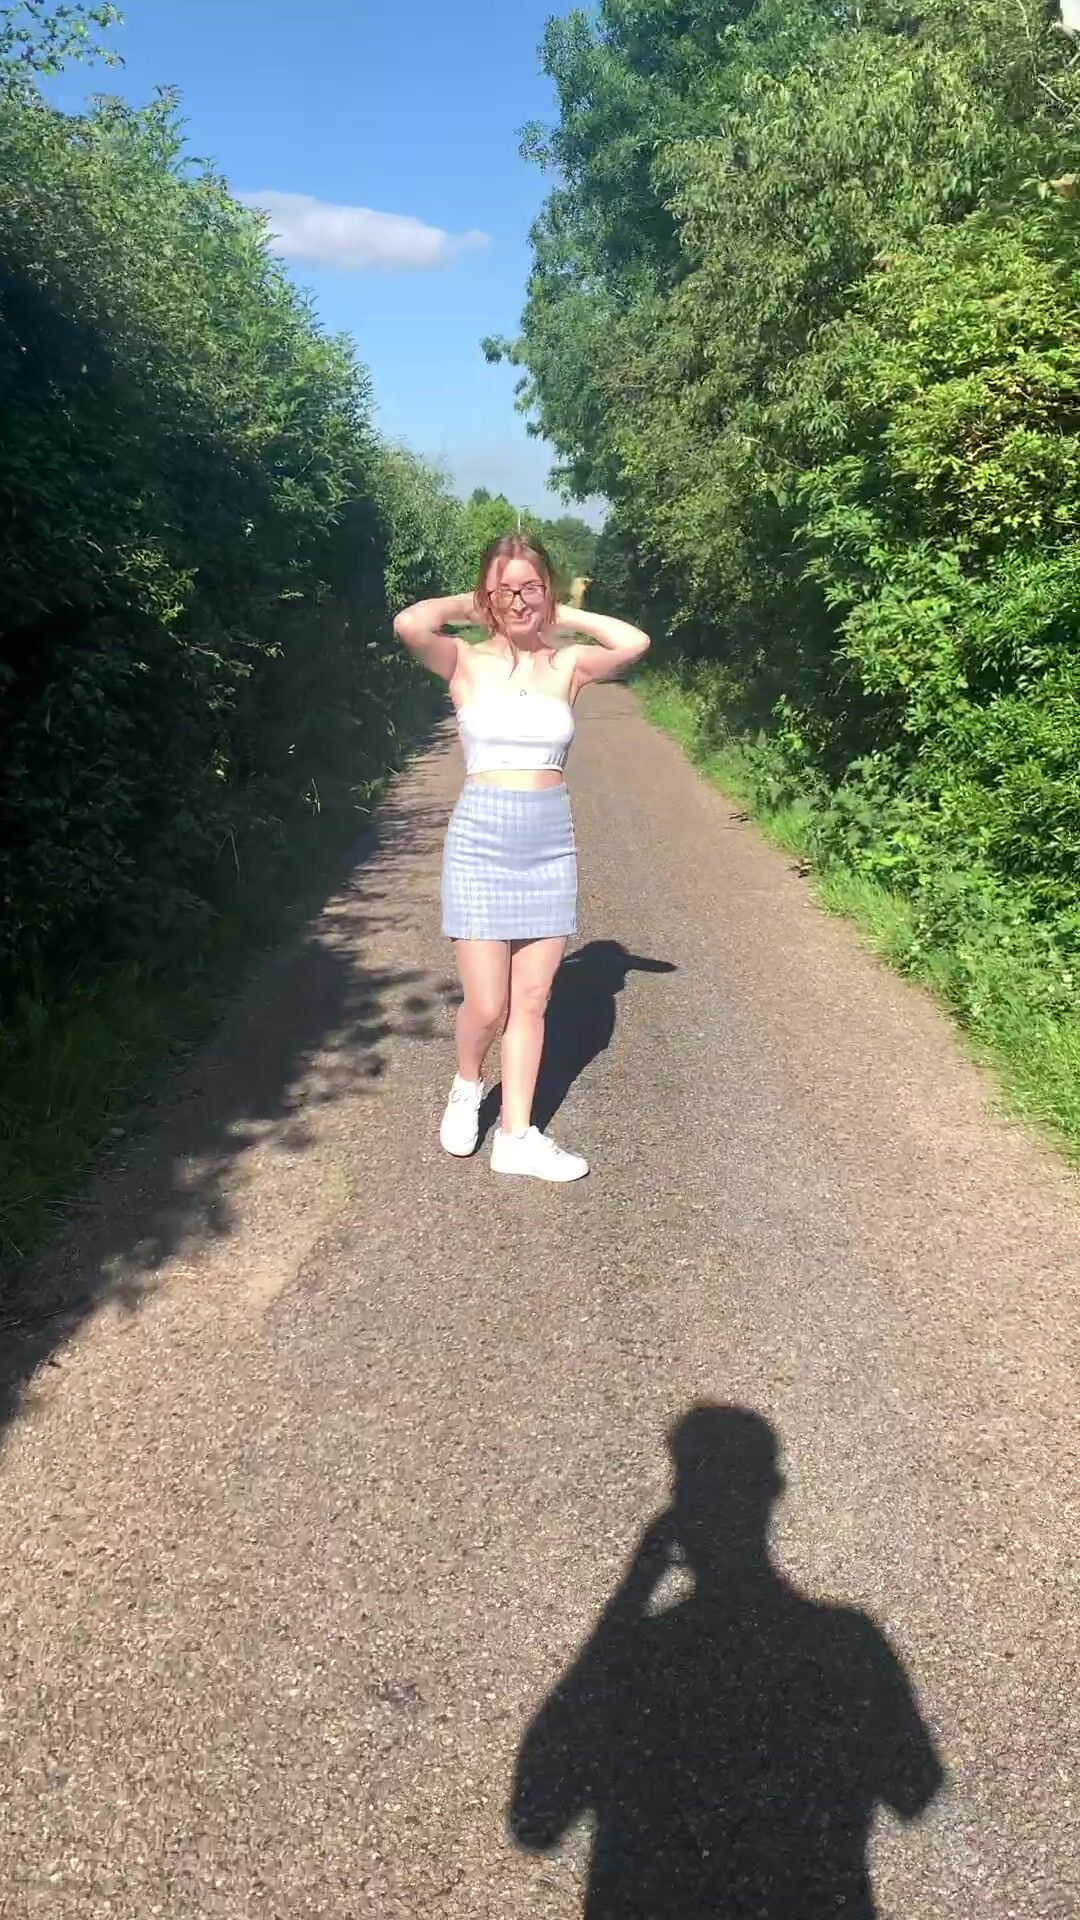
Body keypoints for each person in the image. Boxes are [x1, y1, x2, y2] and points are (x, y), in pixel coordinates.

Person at [510, 1406, 944, 1917]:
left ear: (680, 1512)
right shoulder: (846, 1644)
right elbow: (914, 1785)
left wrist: (630, 1599)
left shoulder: (637, 1657)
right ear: (771, 1493)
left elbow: (536, 1817)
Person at [393, 534, 650, 1181]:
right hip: (481, 837)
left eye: (529, 587)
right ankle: (466, 1084)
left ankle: (516, 1136)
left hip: (548, 840)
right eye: (503, 589)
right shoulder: (462, 660)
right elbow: (410, 623)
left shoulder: (567, 666)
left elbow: (633, 643)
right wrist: (479, 602)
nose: (517, 600)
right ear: (486, 594)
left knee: (531, 1000)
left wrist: (559, 610)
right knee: (487, 1005)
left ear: (547, 590)